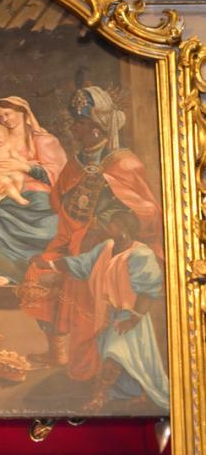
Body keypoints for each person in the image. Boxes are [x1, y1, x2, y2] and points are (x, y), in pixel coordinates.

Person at [20, 85, 163, 380]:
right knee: (36, 272)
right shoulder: (77, 162)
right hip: (72, 238)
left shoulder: (125, 163)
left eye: (80, 123)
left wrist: (105, 224)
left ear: (97, 127)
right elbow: (61, 202)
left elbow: (146, 211)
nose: (74, 129)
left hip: (108, 246)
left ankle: (94, 364)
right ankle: (57, 350)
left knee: (81, 285)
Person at [39, 211, 169, 413]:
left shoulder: (141, 254)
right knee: (118, 356)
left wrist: (133, 319)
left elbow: (148, 290)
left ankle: (98, 398)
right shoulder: (107, 247)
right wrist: (49, 264)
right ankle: (134, 393)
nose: (108, 228)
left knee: (114, 353)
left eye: (113, 224)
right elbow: (83, 263)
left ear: (124, 229)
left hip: (131, 315)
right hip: (109, 314)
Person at [0, 96, 67, 283]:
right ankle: (4, 273)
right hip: (6, 199)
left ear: (23, 112)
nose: (4, 120)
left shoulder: (43, 140)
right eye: (0, 117)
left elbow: (58, 174)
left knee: (50, 230)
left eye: (8, 114)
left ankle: (35, 274)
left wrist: (24, 167)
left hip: (39, 201)